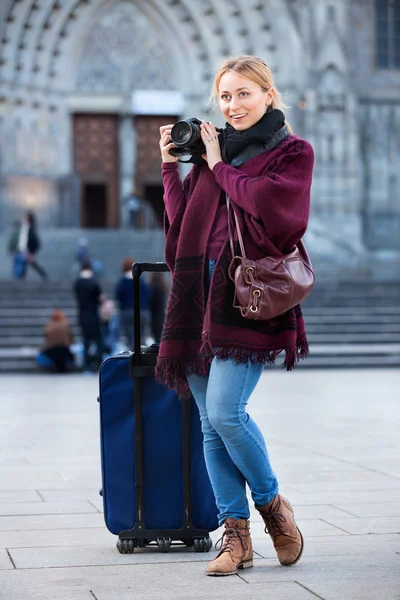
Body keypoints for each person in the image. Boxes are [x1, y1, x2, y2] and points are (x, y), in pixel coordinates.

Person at [156, 55, 314, 576]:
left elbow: (269, 208)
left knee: (226, 412)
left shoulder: (292, 153)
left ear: (269, 94)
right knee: (207, 423)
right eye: (225, 96)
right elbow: (182, 228)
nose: (233, 105)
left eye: (244, 94)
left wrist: (220, 162)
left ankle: (274, 509)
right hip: (197, 289)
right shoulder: (210, 156)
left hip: (248, 293)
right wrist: (171, 169)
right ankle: (236, 536)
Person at [73, 260, 103, 373]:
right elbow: (100, 298)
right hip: (93, 314)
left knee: (85, 340)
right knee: (98, 340)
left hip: (82, 314)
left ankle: (87, 366)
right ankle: (99, 364)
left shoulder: (77, 283)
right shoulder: (94, 282)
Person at [115, 258, 150, 348]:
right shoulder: (141, 280)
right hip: (142, 311)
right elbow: (148, 294)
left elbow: (118, 296)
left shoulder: (122, 282)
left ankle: (134, 358)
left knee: (130, 337)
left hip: (127, 311)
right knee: (141, 337)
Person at [17, 211, 48, 280]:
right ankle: (22, 276)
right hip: (29, 249)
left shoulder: (29, 227)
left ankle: (43, 274)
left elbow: (31, 239)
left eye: (26, 217)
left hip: (30, 249)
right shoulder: (29, 226)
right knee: (28, 262)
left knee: (31, 263)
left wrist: (30, 250)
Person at [148, 272, 168, 344]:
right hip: (161, 315)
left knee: (157, 337)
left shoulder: (153, 288)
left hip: (155, 316)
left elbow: (151, 301)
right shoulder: (162, 287)